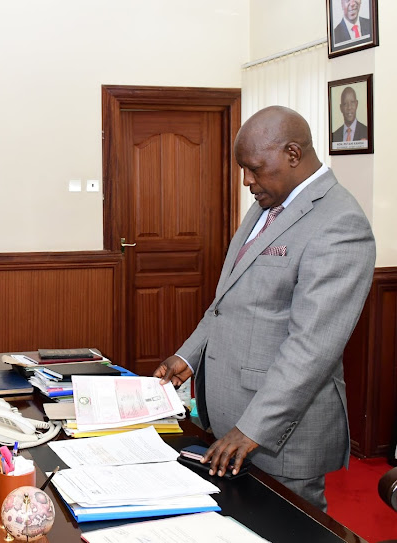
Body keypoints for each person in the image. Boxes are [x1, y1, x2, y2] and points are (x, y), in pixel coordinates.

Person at [154, 105, 375, 511]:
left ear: (293, 154)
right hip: (228, 418)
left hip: (278, 435)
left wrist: (252, 430)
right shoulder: (266, 203)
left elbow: (313, 348)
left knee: (285, 527)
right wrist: (189, 354)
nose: (246, 180)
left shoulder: (340, 223)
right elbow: (228, 301)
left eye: (253, 168)